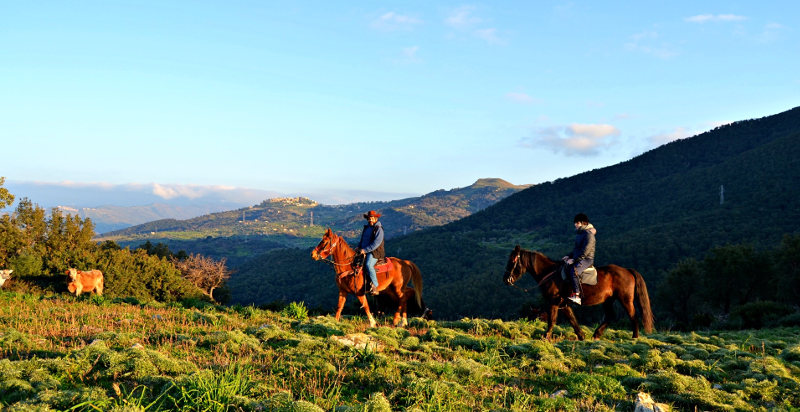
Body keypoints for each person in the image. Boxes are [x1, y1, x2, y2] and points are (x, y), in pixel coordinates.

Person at [562, 213, 596, 305]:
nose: (575, 224)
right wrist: (569, 256)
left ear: (583, 223)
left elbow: (585, 251)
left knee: (574, 271)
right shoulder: (580, 234)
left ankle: (577, 295)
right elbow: (576, 250)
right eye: (575, 223)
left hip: (587, 259)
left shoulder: (589, 235)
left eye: (577, 223)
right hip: (579, 257)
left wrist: (574, 260)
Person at [357, 210, 385, 295]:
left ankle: (375, 286)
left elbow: (376, 243)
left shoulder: (379, 229)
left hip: (375, 252)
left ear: (375, 218)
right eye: (369, 218)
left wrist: (365, 250)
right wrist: (359, 247)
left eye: (372, 218)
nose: (370, 220)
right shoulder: (367, 228)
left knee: (368, 265)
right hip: (364, 250)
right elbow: (363, 239)